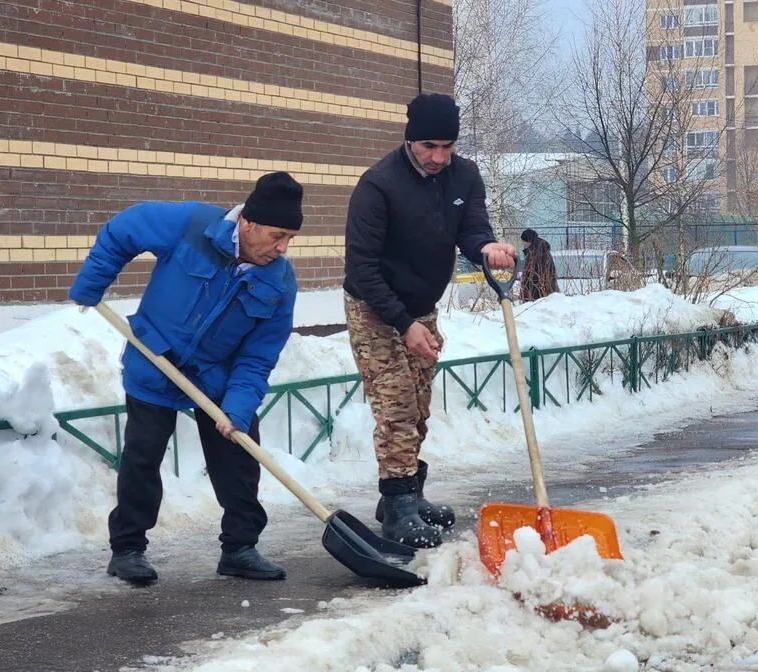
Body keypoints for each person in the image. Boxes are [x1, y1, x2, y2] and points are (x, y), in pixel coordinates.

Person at [68, 172, 304, 585]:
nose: (282, 248)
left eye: (290, 239)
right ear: (248, 223)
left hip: (219, 374)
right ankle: (127, 549)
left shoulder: (280, 282)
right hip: (156, 356)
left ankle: (240, 548)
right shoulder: (193, 226)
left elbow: (258, 356)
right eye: (277, 235)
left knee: (241, 455)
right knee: (143, 455)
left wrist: (237, 408)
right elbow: (124, 229)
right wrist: (93, 281)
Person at [343, 92, 516, 549]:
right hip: (374, 308)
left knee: (419, 404)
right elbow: (362, 267)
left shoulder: (465, 174)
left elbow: (471, 228)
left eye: (447, 147)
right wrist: (404, 324)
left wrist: (487, 248)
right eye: (429, 147)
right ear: (410, 139)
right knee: (396, 403)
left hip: (421, 307)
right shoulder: (378, 185)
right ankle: (397, 509)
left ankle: (407, 494)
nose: (439, 157)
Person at [518, 228, 558, 301]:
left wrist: (526, 293)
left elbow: (530, 274)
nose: (523, 244)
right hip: (546, 289)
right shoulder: (542, 250)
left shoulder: (534, 253)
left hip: (536, 292)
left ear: (528, 241)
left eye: (524, 241)